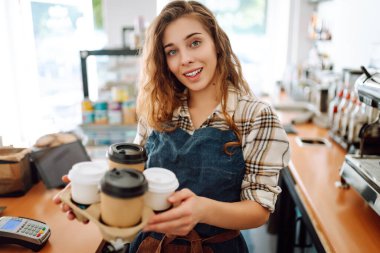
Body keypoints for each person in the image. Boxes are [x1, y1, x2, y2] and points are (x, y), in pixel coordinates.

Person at [54, 1, 290, 252]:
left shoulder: (256, 116)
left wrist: (202, 210)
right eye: (172, 51)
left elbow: (259, 210)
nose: (186, 59)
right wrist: (93, 188)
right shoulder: (158, 109)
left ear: (217, 44)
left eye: (195, 43)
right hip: (149, 245)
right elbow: (135, 175)